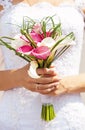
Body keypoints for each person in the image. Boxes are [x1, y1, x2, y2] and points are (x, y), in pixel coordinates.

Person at [0, 0, 85, 130]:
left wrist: (65, 84)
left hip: (67, 119)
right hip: (14, 121)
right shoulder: (4, 4)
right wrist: (18, 77)